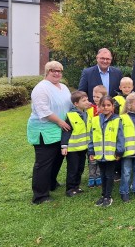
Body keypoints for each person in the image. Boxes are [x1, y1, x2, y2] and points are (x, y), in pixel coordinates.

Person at [27, 61, 72, 204]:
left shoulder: (63, 87)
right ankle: (40, 195)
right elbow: (43, 111)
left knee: (58, 158)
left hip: (61, 129)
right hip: (44, 130)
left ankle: (51, 183)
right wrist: (60, 121)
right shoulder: (41, 88)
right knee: (44, 163)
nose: (57, 73)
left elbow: (70, 104)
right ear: (47, 71)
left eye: (59, 71)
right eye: (53, 70)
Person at [88, 96, 120, 207]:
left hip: (111, 155)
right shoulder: (95, 120)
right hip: (99, 154)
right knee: (102, 174)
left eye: (108, 105)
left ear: (112, 107)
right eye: (103, 105)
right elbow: (91, 137)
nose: (105, 107)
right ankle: (103, 195)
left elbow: (120, 137)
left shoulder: (117, 120)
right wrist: (91, 151)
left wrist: (119, 152)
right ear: (99, 107)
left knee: (109, 175)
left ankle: (108, 196)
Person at [60, 91, 91, 197]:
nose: (87, 102)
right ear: (76, 104)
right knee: (73, 169)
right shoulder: (71, 116)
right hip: (73, 149)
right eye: (84, 100)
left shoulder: (86, 113)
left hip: (83, 147)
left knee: (80, 168)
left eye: (87, 99)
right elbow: (66, 131)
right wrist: (64, 146)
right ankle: (70, 189)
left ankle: (76, 186)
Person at [86, 85, 107, 187]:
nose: (95, 99)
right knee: (91, 157)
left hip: (102, 137)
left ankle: (99, 175)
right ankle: (91, 176)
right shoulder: (90, 108)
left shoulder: (106, 108)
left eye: (97, 97)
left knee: (100, 156)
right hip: (92, 135)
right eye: (94, 96)